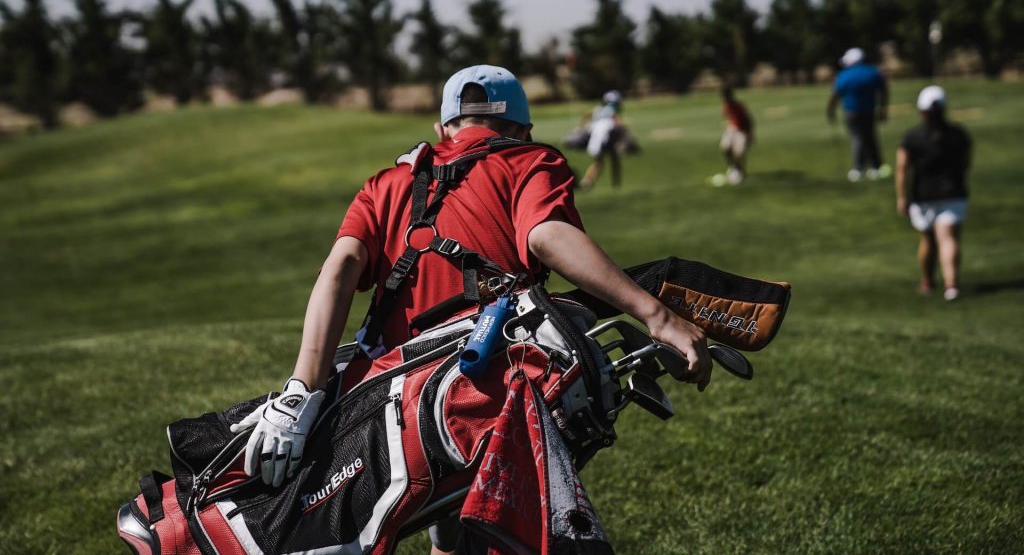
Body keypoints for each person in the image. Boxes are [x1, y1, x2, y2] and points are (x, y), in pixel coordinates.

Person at [228, 65, 713, 555]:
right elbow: (546, 235)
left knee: (447, 528)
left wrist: (299, 393)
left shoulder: (389, 182)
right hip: (480, 396)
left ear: (442, 129)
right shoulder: (530, 160)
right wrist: (659, 317)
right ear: (522, 129)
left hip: (381, 405)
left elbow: (339, 270)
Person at [895, 85, 971, 301]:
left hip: (924, 195)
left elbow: (902, 168)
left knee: (929, 239)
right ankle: (951, 285)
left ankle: (928, 281)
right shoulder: (958, 135)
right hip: (954, 192)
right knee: (948, 238)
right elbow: (966, 163)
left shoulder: (912, 137)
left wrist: (902, 196)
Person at [827, 47, 890, 182]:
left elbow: (835, 94)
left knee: (857, 138)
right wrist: (883, 109)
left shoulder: (844, 75)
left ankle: (858, 169)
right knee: (870, 136)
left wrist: (830, 110)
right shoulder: (873, 72)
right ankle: (876, 167)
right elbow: (883, 90)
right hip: (869, 110)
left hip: (851, 111)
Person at [578, 90, 625, 190]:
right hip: (603, 142)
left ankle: (587, 182)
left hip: (595, 141)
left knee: (599, 163)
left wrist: (582, 127)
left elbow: (586, 115)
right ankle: (586, 182)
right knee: (600, 163)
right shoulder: (612, 111)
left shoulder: (598, 109)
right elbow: (619, 124)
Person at [711, 85, 754, 186]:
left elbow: (749, 120)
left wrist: (750, 134)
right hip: (732, 129)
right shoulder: (725, 106)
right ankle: (733, 168)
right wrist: (729, 127)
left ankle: (740, 171)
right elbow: (727, 118)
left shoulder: (739, 106)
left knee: (739, 153)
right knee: (724, 148)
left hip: (742, 131)